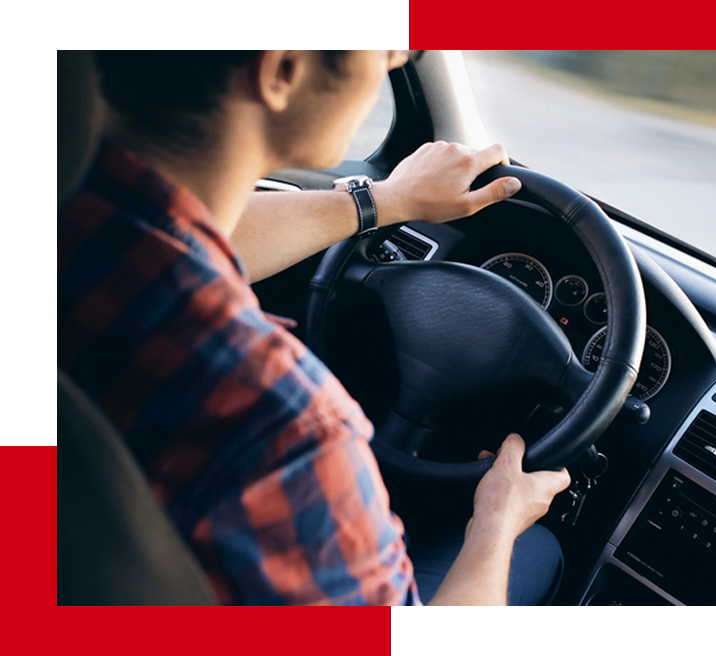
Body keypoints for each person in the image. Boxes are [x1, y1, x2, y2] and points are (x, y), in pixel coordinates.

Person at [57, 50, 571, 606]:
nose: (398, 59)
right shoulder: (283, 429)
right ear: (283, 69)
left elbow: (190, 237)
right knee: (535, 549)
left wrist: (388, 200)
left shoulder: (79, 217)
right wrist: (495, 521)